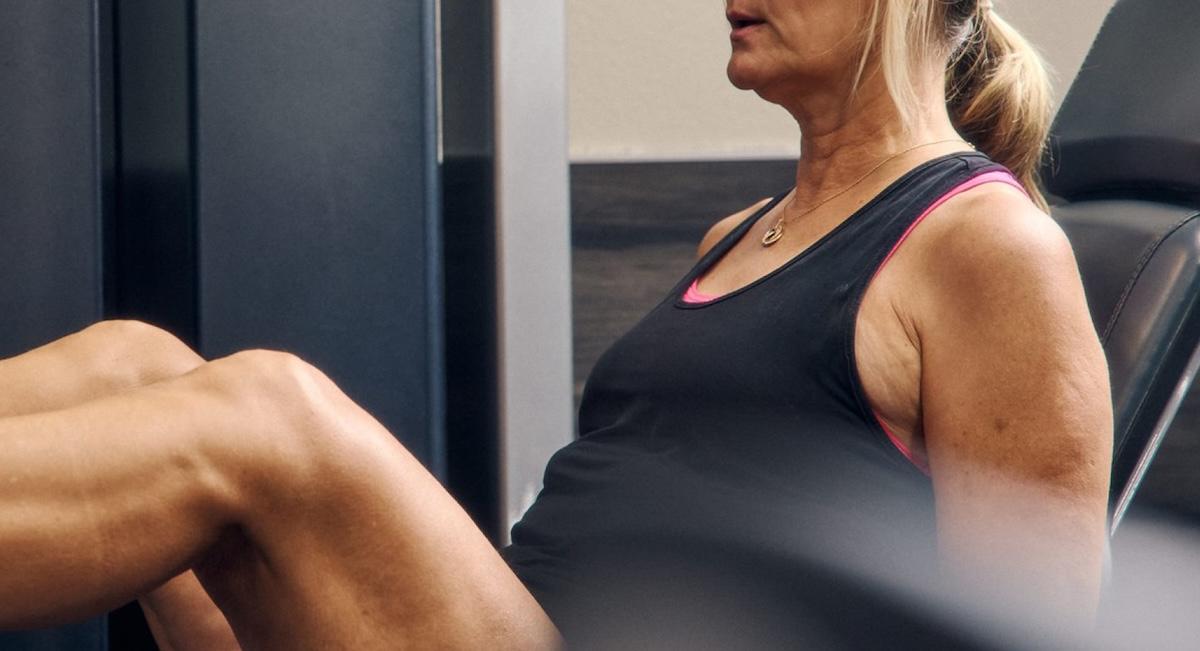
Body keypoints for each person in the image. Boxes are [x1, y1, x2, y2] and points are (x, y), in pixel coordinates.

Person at [0, 0, 1111, 648]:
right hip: (527, 611)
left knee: (268, 417)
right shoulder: (741, 233)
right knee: (133, 363)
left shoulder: (986, 248)